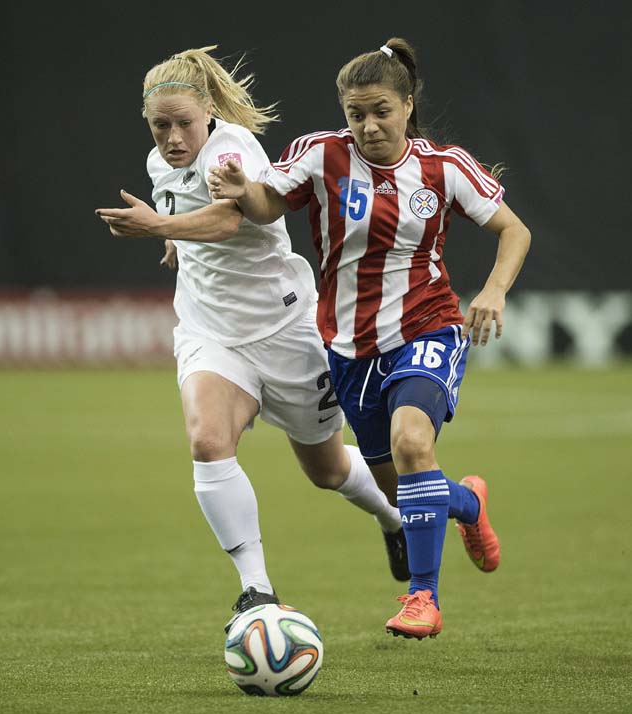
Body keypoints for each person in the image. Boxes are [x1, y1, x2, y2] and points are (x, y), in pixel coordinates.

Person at [208, 37, 532, 640]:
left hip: (427, 326)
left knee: (413, 445)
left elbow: (514, 230)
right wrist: (241, 189)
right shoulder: (320, 154)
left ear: (408, 105)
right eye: (356, 113)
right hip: (349, 348)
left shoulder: (444, 167)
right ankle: (468, 504)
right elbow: (265, 204)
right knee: (406, 487)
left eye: (381, 110)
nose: (367, 125)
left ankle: (422, 598)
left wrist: (494, 290)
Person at [95, 45, 409, 633]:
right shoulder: (159, 163)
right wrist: (172, 238)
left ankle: (392, 521)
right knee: (208, 442)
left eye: (183, 122)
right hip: (210, 331)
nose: (172, 137)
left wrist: (159, 227)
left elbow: (231, 217)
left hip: (283, 329)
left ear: (208, 109)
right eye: (159, 125)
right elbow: (188, 217)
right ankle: (257, 592)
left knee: (328, 470)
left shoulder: (232, 148)